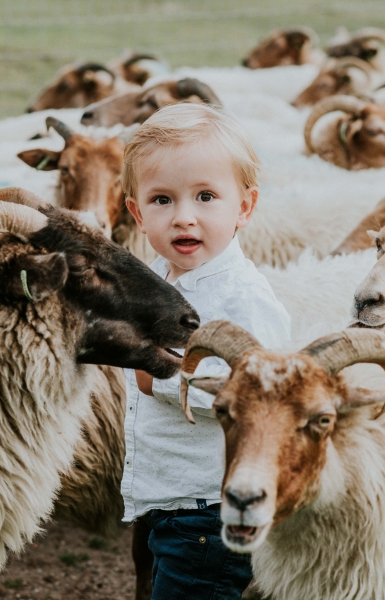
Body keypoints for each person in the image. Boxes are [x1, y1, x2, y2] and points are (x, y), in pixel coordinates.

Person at [120, 102, 291, 600]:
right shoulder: (154, 282)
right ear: (136, 212)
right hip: (169, 499)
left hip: (211, 507)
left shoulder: (244, 296)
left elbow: (259, 393)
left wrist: (161, 375)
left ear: (244, 207)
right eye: (162, 200)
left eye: (206, 196)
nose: (184, 217)